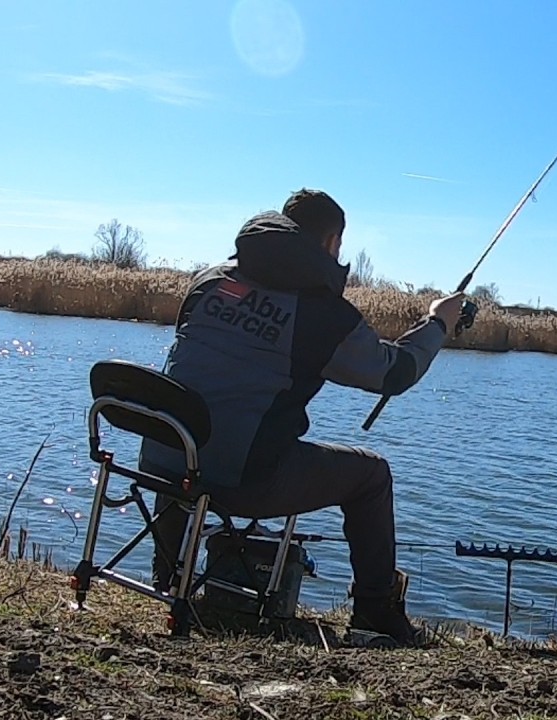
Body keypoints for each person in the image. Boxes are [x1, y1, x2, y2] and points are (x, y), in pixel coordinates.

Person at [137, 188, 465, 646]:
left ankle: (169, 575)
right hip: (242, 481)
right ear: (332, 243)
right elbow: (394, 372)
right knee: (372, 475)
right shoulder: (321, 314)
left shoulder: (208, 281)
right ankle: (375, 615)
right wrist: (438, 323)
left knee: (190, 434)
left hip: (160, 465)